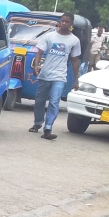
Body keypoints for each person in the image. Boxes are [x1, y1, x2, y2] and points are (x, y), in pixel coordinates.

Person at [29, 12, 81, 140]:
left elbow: (75, 60)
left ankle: (48, 128)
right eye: (62, 21)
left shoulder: (74, 40)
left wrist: (76, 80)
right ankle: (37, 123)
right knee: (40, 101)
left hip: (60, 76)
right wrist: (36, 66)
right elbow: (39, 52)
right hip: (45, 74)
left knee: (54, 102)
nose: (63, 23)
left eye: (66, 22)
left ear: (71, 24)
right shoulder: (49, 36)